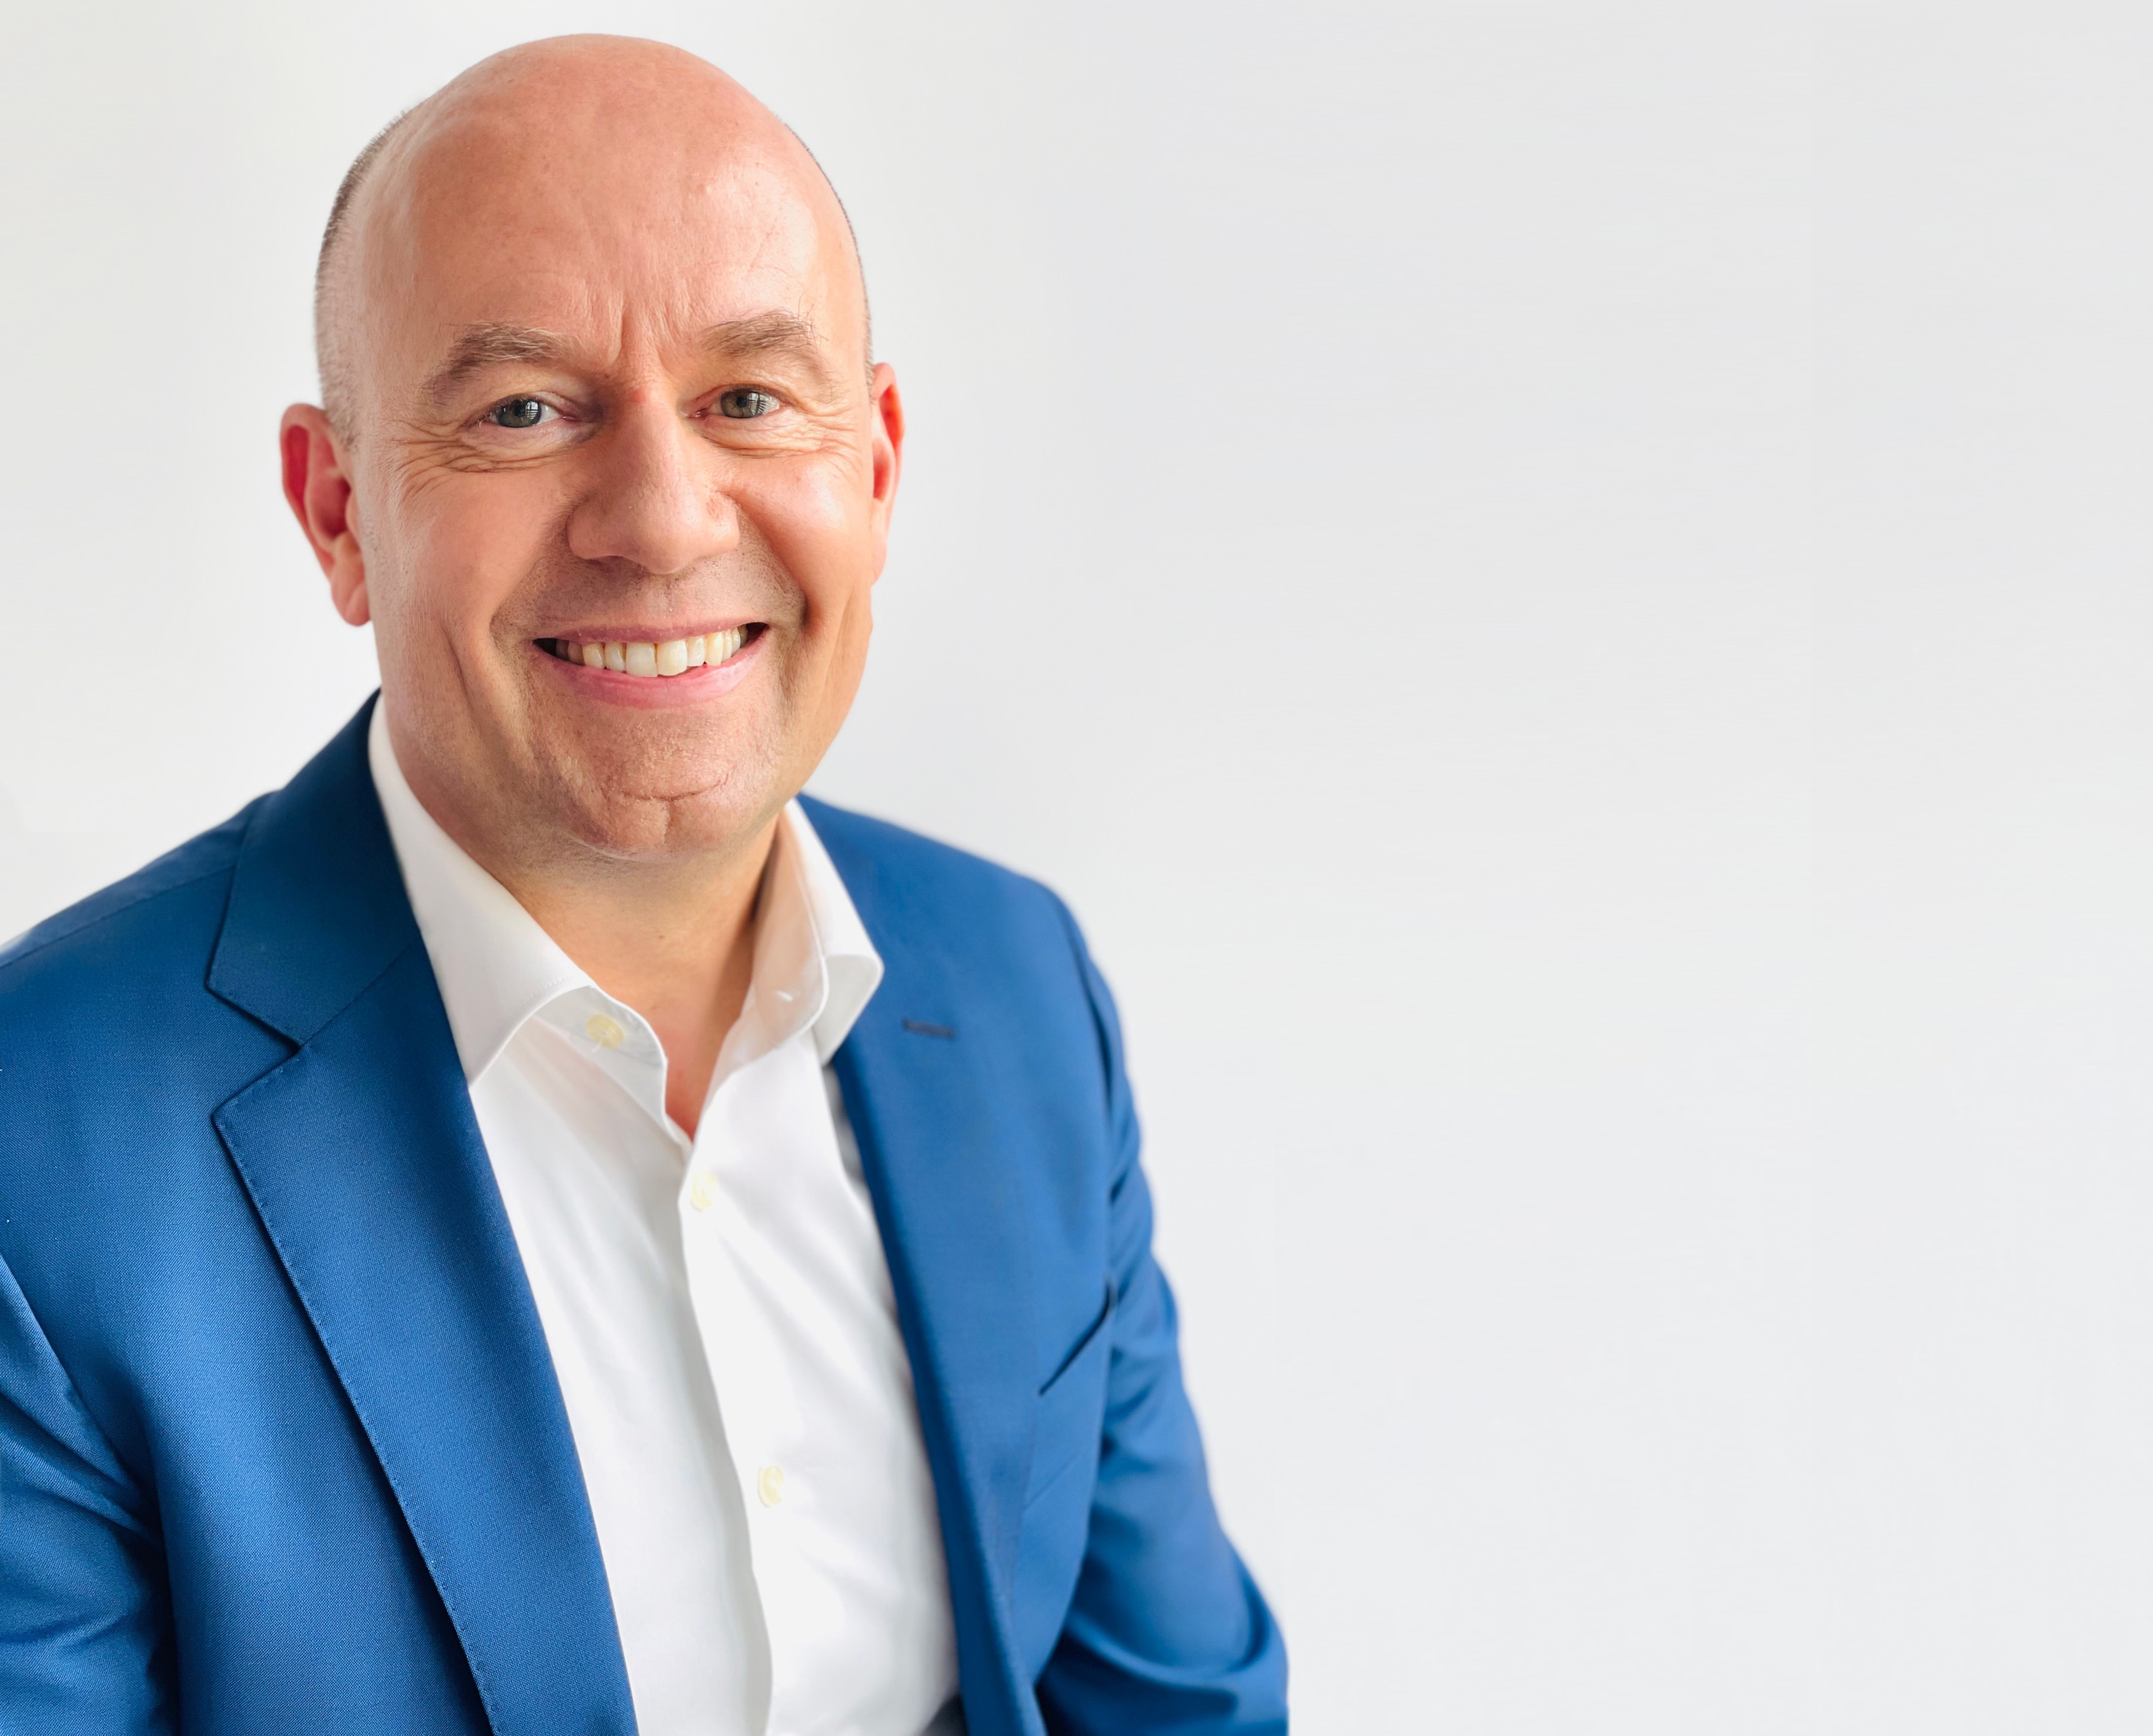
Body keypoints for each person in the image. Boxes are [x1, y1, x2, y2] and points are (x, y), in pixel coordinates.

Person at [0, 34, 1284, 1736]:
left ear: (875, 470)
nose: (665, 520)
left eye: (748, 398)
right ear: (338, 514)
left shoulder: (1017, 985)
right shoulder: (45, 1137)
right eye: (524, 410)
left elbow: (1173, 1705)